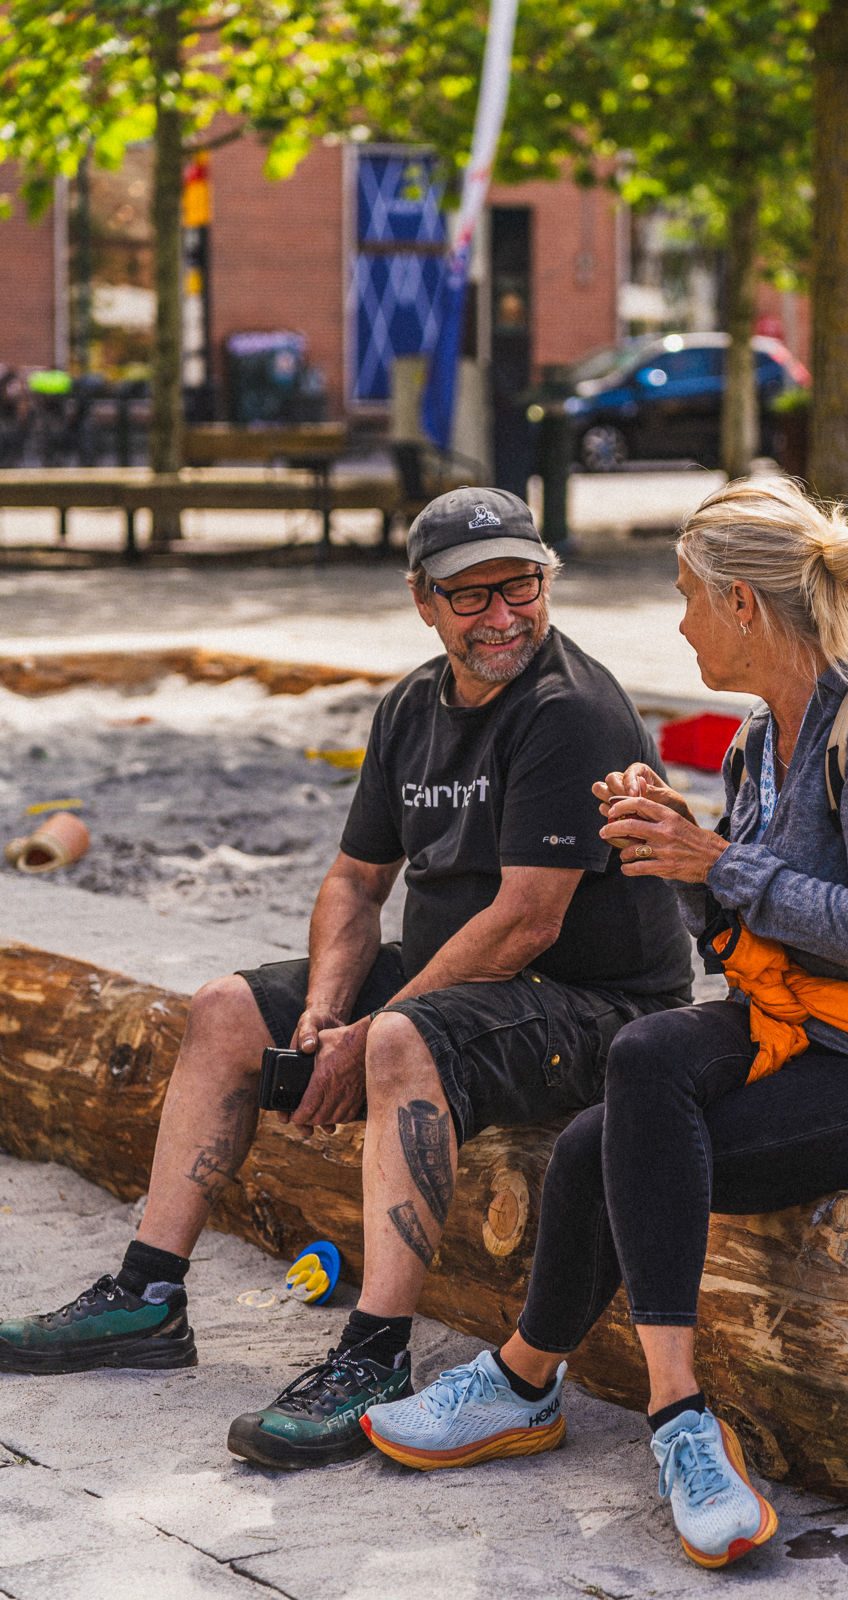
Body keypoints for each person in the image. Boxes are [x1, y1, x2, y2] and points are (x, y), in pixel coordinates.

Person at [0, 486, 693, 1471]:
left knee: (405, 1037)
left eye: (522, 587)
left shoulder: (569, 710)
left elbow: (526, 921)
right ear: (422, 599)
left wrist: (374, 1033)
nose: (504, 615)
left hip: (595, 1003)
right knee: (227, 1009)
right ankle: (147, 1297)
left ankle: (373, 1354)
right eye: (473, 596)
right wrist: (326, 1011)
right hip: (469, 979)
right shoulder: (412, 704)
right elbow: (356, 881)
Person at [360, 477, 848, 1568]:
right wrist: (675, 858)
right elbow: (751, 938)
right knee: (615, 1124)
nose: (680, 620)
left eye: (689, 595)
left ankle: (671, 1413)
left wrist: (715, 862)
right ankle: (523, 1381)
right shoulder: (757, 740)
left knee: (640, 1071)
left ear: (742, 604)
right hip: (803, 1026)